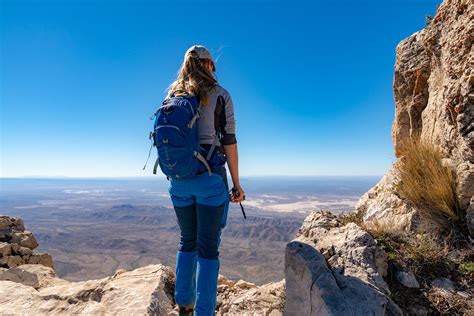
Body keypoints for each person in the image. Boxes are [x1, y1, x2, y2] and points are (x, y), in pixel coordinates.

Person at [165, 45, 245, 316]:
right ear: (209, 64)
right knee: (208, 249)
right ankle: (204, 312)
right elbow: (229, 142)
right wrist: (236, 183)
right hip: (210, 180)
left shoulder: (172, 96)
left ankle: (183, 304)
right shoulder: (220, 95)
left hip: (178, 181)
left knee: (187, 241)